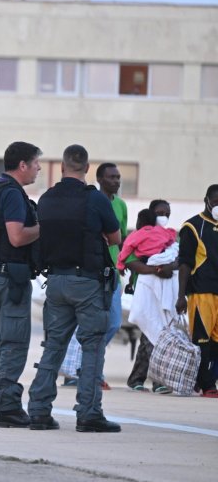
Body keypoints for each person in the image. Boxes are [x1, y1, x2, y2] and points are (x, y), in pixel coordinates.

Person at [28, 144, 122, 432]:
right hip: (88, 283)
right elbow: (115, 236)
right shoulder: (94, 199)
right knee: (92, 347)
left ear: (62, 167)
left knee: (53, 347)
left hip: (55, 281)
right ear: (88, 168)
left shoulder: (46, 198)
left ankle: (38, 411)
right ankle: (89, 413)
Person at [0, 142, 41, 428]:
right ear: (22, 165)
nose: (39, 168)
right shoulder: (14, 194)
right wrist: (46, 227)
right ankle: (7, 407)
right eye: (36, 163)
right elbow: (17, 237)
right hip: (11, 276)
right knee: (14, 343)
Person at [125, 202, 179, 393]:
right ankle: (158, 381)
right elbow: (130, 261)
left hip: (165, 291)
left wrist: (169, 268)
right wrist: (157, 270)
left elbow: (178, 259)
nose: (163, 217)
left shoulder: (170, 238)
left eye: (167, 213)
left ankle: (137, 378)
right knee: (152, 333)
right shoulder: (139, 237)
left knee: (153, 333)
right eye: (159, 213)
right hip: (146, 289)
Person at [176, 184, 218, 398]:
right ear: (207, 201)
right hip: (202, 292)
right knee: (201, 340)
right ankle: (207, 385)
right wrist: (181, 295)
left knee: (216, 342)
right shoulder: (193, 227)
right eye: (216, 202)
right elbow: (184, 263)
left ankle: (203, 379)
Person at [95, 162, 128, 390]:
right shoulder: (90, 201)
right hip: (92, 272)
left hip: (113, 273)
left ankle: (89, 364)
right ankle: (93, 372)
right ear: (99, 179)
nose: (116, 181)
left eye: (118, 178)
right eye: (111, 177)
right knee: (93, 324)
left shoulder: (122, 205)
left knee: (114, 323)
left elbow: (123, 238)